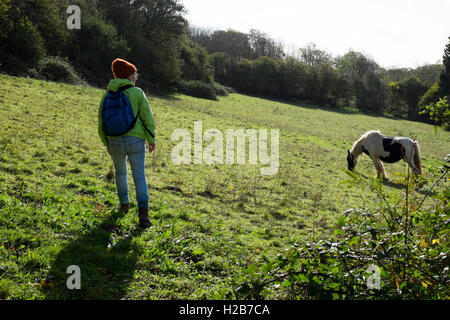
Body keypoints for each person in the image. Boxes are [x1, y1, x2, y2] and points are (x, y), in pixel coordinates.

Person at [98, 58, 156, 228]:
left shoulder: (106, 95)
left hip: (114, 141)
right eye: (134, 73)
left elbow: (101, 122)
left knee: (120, 174)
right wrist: (151, 138)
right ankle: (143, 216)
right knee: (139, 177)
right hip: (136, 141)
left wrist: (106, 142)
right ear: (129, 75)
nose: (136, 77)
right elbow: (148, 118)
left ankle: (124, 206)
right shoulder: (137, 93)